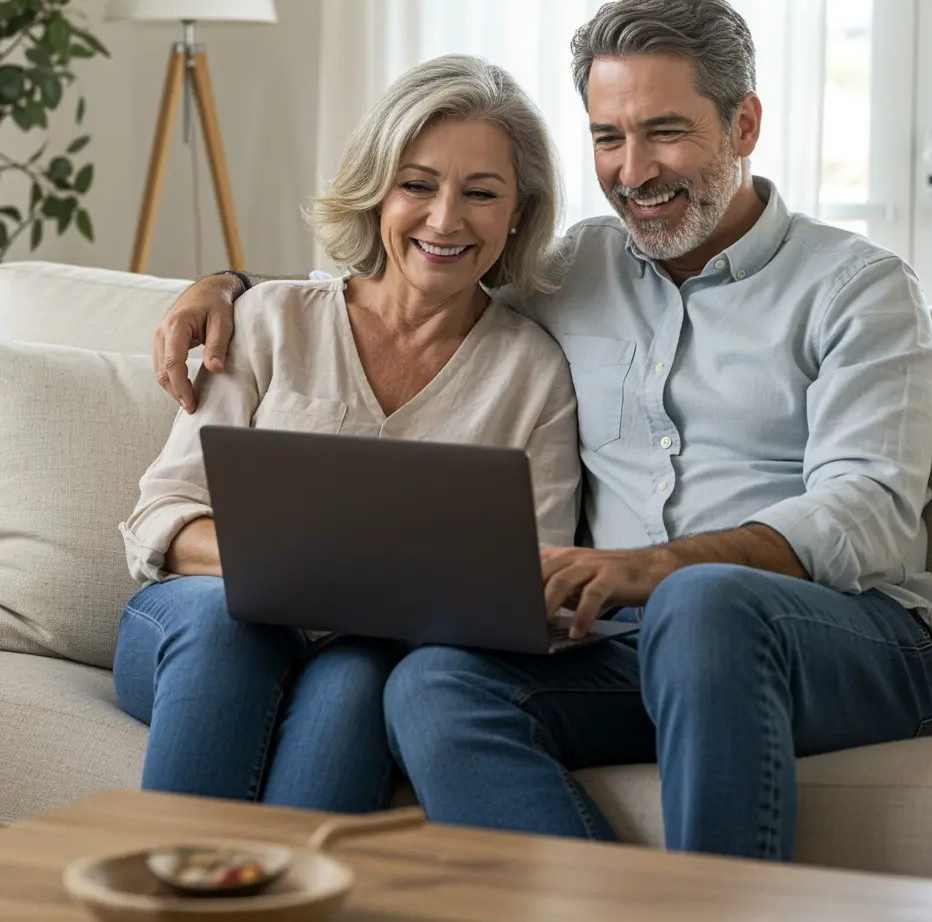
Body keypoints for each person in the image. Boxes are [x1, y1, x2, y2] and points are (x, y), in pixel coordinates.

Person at [151, 0, 932, 861]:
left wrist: (656, 568)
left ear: (744, 126)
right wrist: (224, 284)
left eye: (666, 131)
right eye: (609, 136)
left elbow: (870, 508)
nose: (633, 170)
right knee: (432, 684)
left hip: (836, 639)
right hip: (627, 649)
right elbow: (416, 271)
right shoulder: (577, 272)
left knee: (701, 601)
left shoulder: (858, 288)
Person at [114, 54, 581, 814]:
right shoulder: (268, 320)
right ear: (378, 192)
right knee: (230, 627)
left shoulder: (533, 374)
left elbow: (535, 574)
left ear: (519, 212)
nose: (444, 219)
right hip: (205, 617)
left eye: (482, 193)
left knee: (358, 681)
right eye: (418, 185)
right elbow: (163, 514)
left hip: (370, 654)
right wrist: (295, 573)